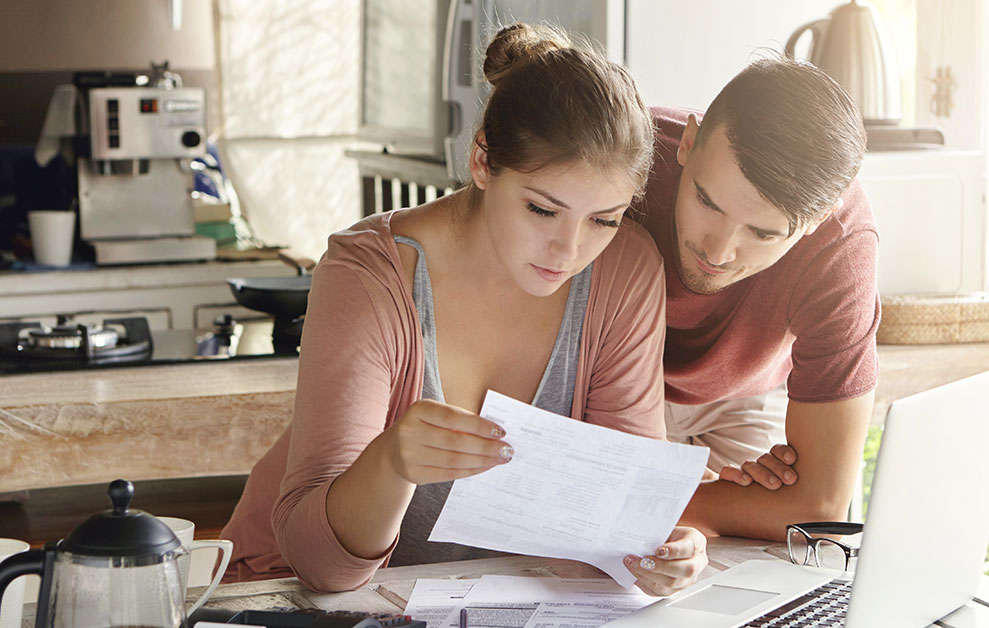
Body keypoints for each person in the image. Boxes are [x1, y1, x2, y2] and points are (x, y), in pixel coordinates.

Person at [220, 23, 707, 596]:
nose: (570, 250)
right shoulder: (367, 275)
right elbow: (322, 570)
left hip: (482, 600)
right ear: (482, 161)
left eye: (603, 219)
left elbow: (615, 519)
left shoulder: (625, 269)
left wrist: (661, 550)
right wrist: (390, 464)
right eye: (542, 210)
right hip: (289, 593)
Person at [633, 58, 879, 541]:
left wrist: (652, 497)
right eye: (707, 201)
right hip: (608, 387)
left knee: (758, 571)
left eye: (763, 233)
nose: (717, 251)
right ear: (687, 142)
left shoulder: (842, 244)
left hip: (741, 397)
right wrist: (680, 496)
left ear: (816, 221)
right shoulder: (625, 154)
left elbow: (819, 508)